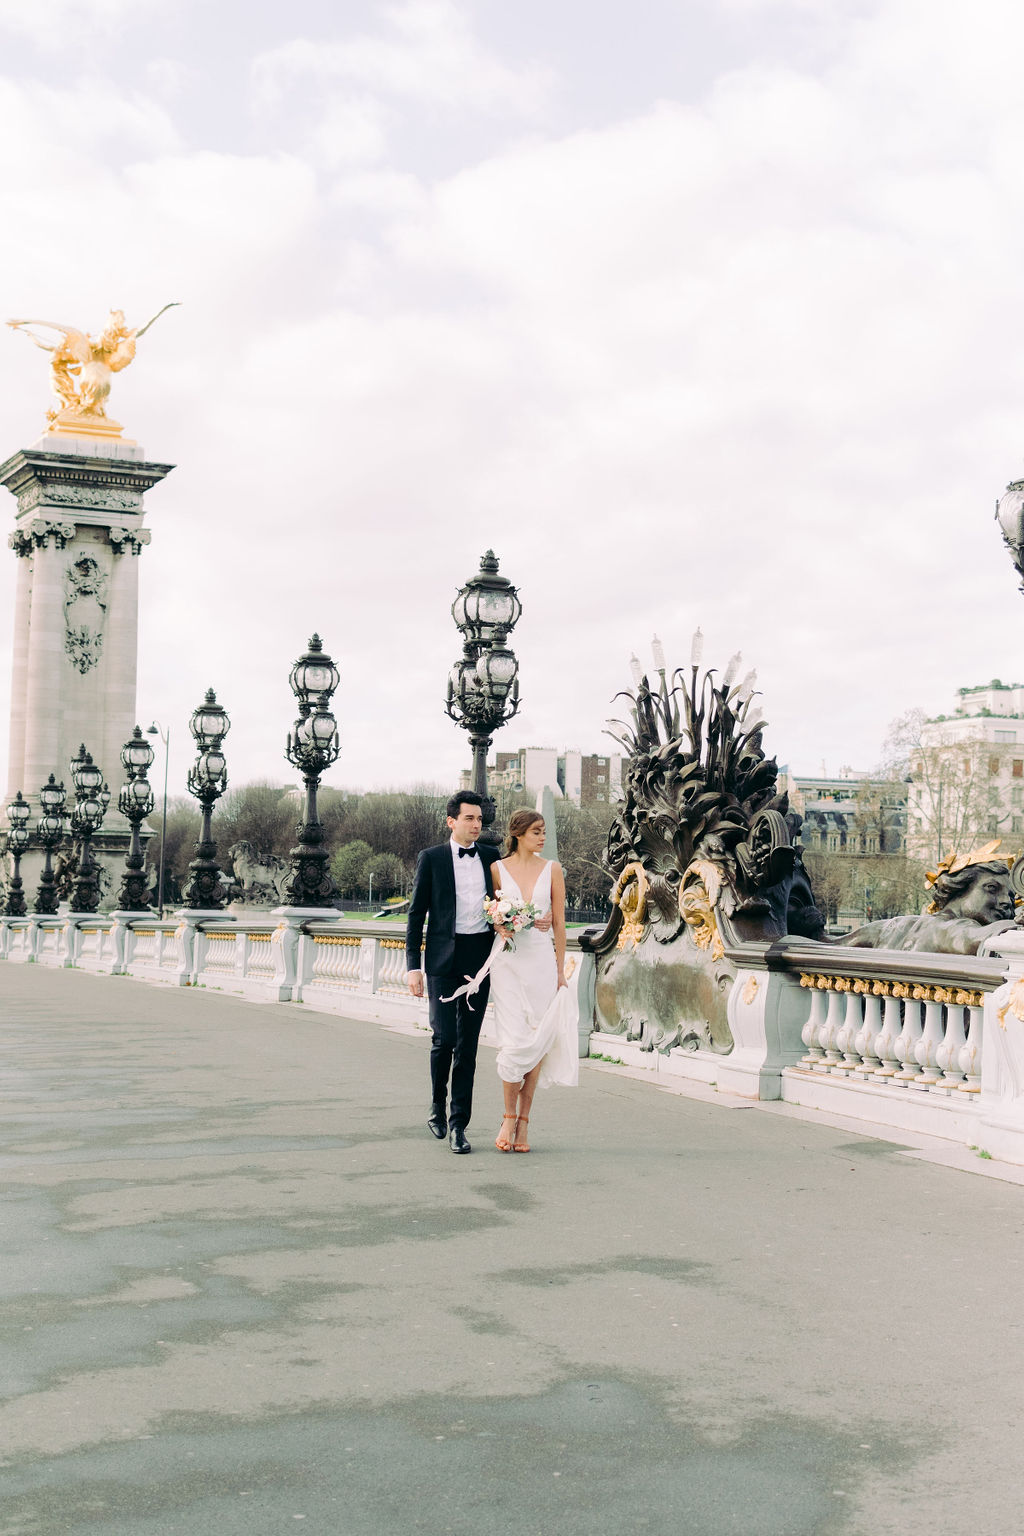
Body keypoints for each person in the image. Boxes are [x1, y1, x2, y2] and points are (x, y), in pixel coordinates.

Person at [406, 791, 501, 1154]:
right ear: (452, 821)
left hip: (479, 959)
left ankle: (460, 1123)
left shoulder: (492, 858)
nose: (477, 825)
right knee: (443, 1038)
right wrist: (413, 966)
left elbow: (506, 902)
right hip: (442, 960)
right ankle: (437, 1105)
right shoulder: (431, 859)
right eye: (470, 819)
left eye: (480, 819)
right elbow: (416, 915)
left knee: (468, 1046)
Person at [489, 808, 578, 1153]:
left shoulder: (552, 869)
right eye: (536, 832)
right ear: (519, 834)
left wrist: (560, 971)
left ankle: (524, 1123)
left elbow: (559, 923)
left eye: (543, 831)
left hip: (541, 962)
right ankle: (508, 1115)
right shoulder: (497, 870)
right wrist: (499, 924)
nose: (542, 837)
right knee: (512, 1041)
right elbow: (492, 913)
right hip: (508, 962)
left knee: (537, 1040)